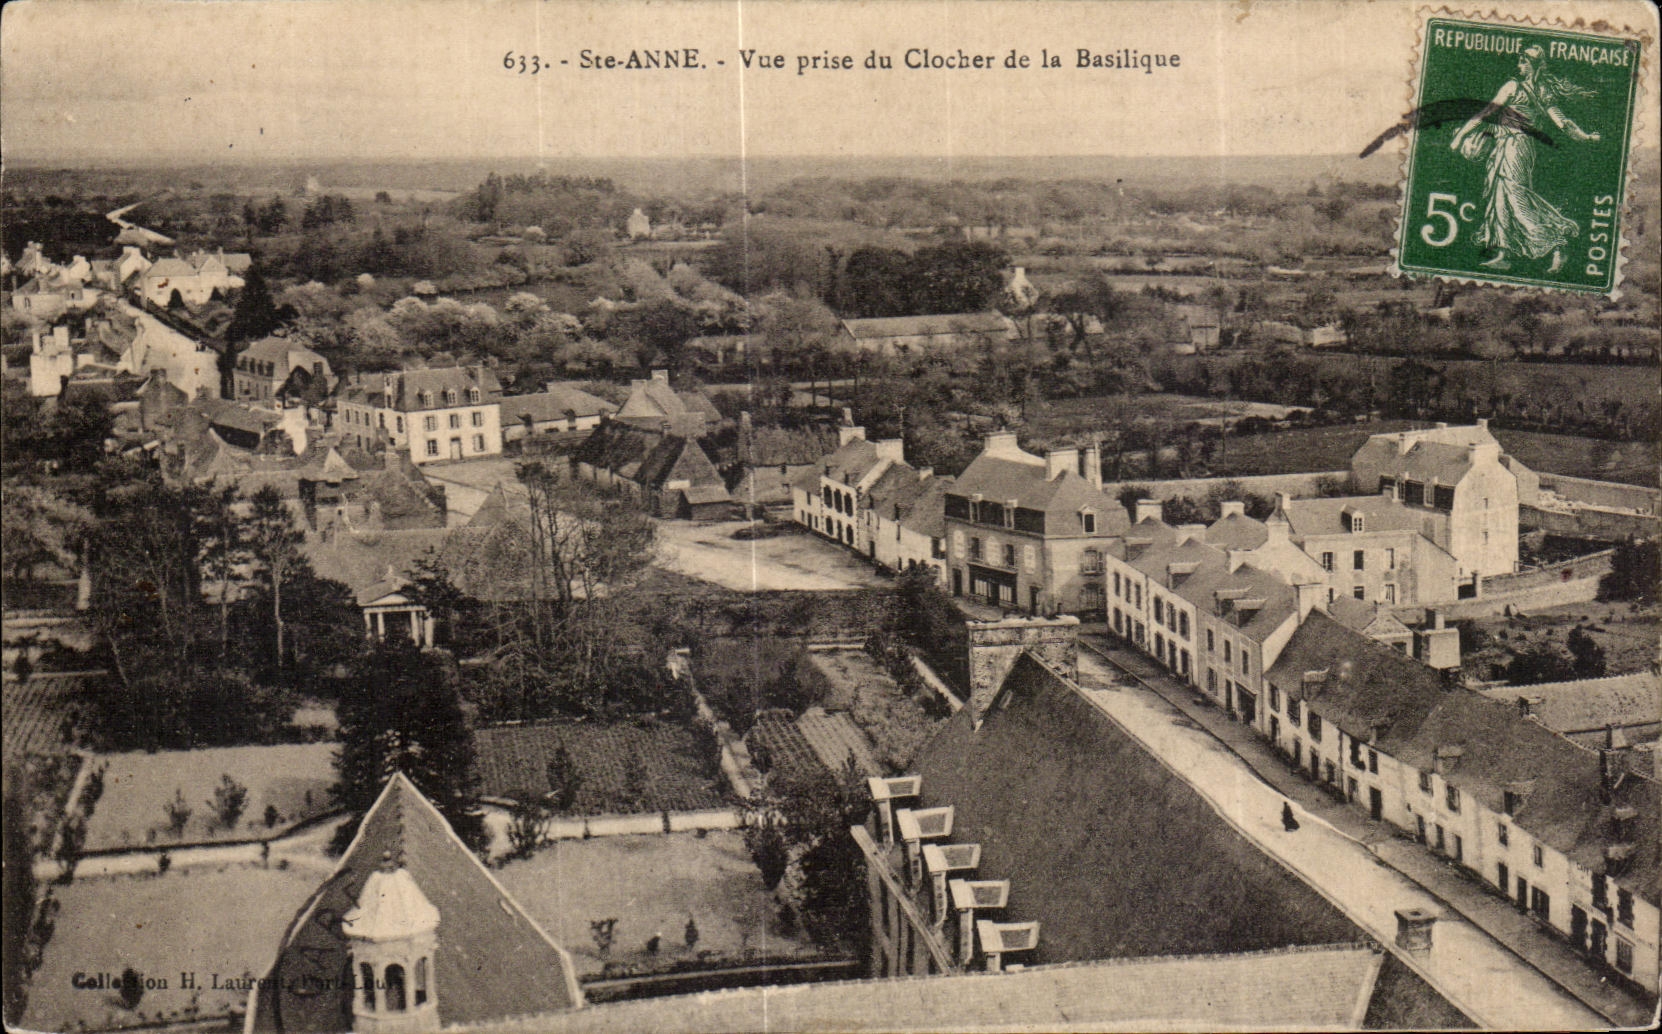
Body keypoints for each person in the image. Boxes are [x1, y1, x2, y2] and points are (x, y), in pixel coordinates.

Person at [1449, 45, 1600, 274]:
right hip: (1505, 145)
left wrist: (1461, 135)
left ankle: (1558, 245)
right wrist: (1585, 136)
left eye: (1522, 62)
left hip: (1516, 147)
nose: (1518, 66)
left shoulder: (1517, 87)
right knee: (1499, 197)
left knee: (1516, 198)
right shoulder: (1541, 92)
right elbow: (1564, 123)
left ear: (1531, 65)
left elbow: (1486, 113)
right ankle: (1503, 254)